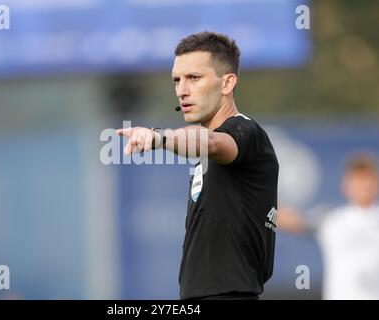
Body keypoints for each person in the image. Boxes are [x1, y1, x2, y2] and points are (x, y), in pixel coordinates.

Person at [116, 31, 279, 300]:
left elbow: (211, 142)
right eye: (177, 80)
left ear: (227, 83)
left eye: (194, 78)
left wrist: (159, 137)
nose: (182, 90)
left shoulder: (246, 132)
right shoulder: (205, 154)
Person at [278, 153, 379, 299]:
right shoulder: (331, 220)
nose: (362, 185)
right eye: (357, 179)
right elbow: (291, 220)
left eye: (367, 178)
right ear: (345, 185)